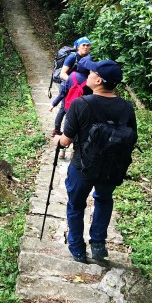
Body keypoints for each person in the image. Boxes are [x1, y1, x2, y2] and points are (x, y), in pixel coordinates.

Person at [52, 59, 137, 263]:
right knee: (104, 200)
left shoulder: (81, 103)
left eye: (91, 72)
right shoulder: (126, 107)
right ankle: (98, 244)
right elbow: (132, 138)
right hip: (111, 167)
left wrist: (57, 139)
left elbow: (65, 140)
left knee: (76, 205)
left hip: (82, 166)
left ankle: (77, 248)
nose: (87, 74)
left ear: (98, 80)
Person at [49, 56, 92, 137]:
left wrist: (53, 104)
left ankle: (64, 137)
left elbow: (63, 93)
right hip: (81, 109)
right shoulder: (90, 82)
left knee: (67, 119)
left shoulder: (72, 75)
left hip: (68, 105)